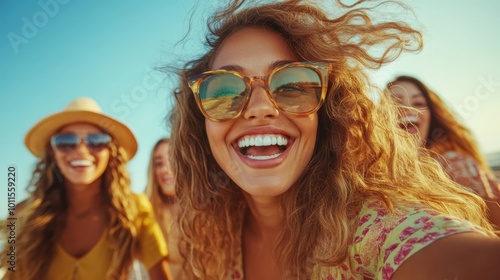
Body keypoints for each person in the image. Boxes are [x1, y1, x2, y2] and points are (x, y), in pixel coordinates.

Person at [167, 0, 500, 279]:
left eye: (293, 85)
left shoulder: (371, 229)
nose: (259, 108)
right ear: (201, 122)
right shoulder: (206, 241)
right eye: (224, 90)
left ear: (326, 114)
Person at [0, 97, 172, 280]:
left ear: (111, 152)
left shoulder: (137, 208)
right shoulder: (23, 213)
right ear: (53, 152)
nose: (81, 150)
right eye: (66, 141)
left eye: (96, 140)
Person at [387, 75, 500, 229]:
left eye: (418, 103)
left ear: (431, 116)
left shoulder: (454, 164)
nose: (409, 109)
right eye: (396, 102)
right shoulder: (374, 176)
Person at [144, 138, 181, 277]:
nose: (166, 169)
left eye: (173, 160)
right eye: (159, 163)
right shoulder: (145, 213)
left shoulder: (208, 209)